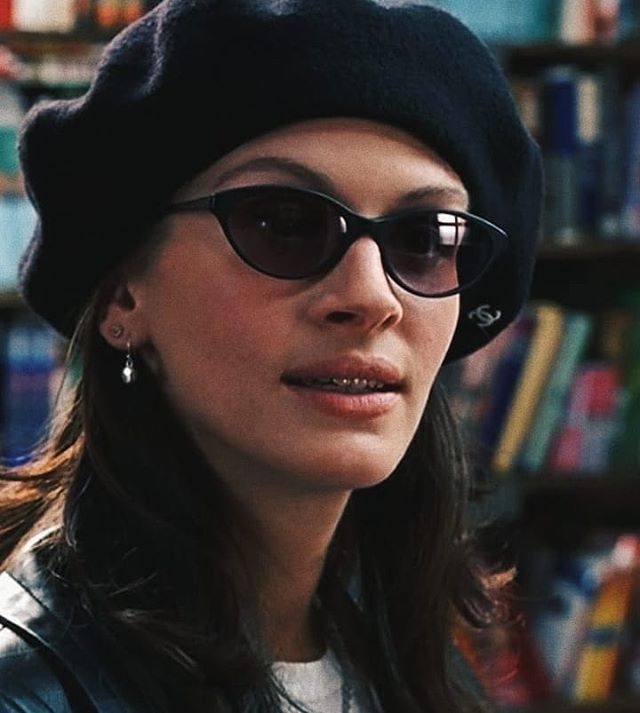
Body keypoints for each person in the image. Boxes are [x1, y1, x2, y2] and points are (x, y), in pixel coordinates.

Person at [0, 1, 542, 711]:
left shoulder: (401, 641)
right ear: (122, 297)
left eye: (424, 240)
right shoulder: (29, 689)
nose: (372, 296)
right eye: (285, 223)